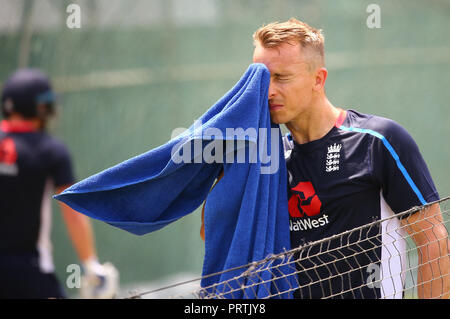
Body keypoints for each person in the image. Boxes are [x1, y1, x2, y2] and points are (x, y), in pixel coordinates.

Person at [202, 18, 449, 299]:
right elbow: (223, 239)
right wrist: (228, 174)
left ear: (318, 79)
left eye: (281, 78)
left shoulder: (378, 140)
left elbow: (432, 240)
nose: (268, 91)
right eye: (260, 81)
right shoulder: (264, 160)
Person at [0, 68, 118, 299]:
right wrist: (91, 265)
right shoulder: (51, 151)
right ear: (41, 108)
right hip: (28, 269)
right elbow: (72, 210)